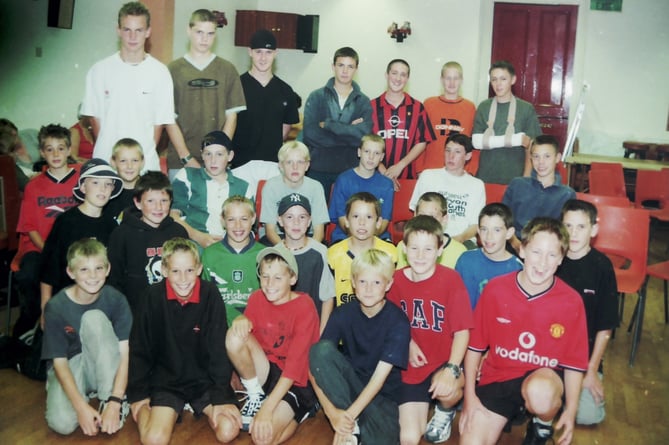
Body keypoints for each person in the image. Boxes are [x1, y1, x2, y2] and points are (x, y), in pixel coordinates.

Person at [459, 218, 589, 445]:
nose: (542, 262)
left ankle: (542, 421)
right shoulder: (496, 290)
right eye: (536, 252)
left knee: (541, 395)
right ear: (522, 250)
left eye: (552, 255)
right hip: (498, 378)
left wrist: (570, 411)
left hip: (543, 379)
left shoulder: (571, 301)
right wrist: (470, 398)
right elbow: (474, 347)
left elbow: (574, 365)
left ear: (561, 258)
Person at [127, 238, 241, 444]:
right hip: (167, 381)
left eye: (189, 270)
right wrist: (138, 394)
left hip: (203, 381)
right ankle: (147, 410)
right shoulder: (151, 297)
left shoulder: (210, 294)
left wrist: (221, 396)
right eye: (175, 271)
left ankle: (195, 406)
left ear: (199, 269)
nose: (183, 279)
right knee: (154, 440)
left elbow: (218, 349)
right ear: (164, 270)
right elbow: (139, 347)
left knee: (228, 431)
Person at [309, 248, 411, 445]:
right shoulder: (342, 313)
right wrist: (333, 414)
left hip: (382, 395)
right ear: (353, 283)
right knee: (319, 350)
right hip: (349, 387)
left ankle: (354, 428)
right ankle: (353, 429)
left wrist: (347, 417)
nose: (369, 289)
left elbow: (378, 380)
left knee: (385, 441)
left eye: (377, 282)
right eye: (363, 281)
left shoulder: (398, 321)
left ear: (388, 284)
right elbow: (315, 364)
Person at [387, 215, 473, 444]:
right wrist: (407, 342)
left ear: (439, 249)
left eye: (428, 249)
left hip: (443, 362)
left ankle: (445, 410)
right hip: (412, 367)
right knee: (409, 437)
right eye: (414, 248)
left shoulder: (451, 280)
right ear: (403, 248)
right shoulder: (395, 281)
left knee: (448, 390)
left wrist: (452, 369)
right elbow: (390, 323)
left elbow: (463, 331)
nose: (420, 255)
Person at [226, 245, 319, 443]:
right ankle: (256, 395)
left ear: (292, 279)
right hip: (267, 371)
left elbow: (294, 369)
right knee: (234, 334)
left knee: (263, 438)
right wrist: (239, 320)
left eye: (278, 277)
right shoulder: (257, 298)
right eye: (265, 276)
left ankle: (300, 412)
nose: (269, 283)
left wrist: (266, 411)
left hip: (295, 381)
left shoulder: (305, 307)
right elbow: (247, 346)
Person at [42, 239, 132, 436]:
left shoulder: (117, 299)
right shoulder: (55, 307)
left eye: (99, 268)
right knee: (62, 424)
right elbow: (59, 362)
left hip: (104, 361)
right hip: (71, 364)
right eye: (84, 270)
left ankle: (109, 398)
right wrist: (81, 408)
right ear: (70, 272)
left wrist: (115, 401)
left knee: (94, 318)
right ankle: (83, 395)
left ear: (108, 269)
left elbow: (124, 354)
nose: (93, 276)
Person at [81, 1, 175, 172]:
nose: (133, 37)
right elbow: (95, 121)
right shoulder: (99, 70)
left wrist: (139, 158)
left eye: (138, 30)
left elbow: (159, 125)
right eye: (127, 30)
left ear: (148, 32)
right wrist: (114, 156)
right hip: (107, 164)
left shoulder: (160, 72)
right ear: (118, 30)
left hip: (145, 166)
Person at [39, 159, 123, 326]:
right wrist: (44, 308)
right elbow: (49, 269)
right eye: (96, 183)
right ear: (83, 187)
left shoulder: (112, 226)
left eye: (108, 184)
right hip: (67, 303)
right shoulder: (66, 222)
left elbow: (114, 273)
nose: (102, 189)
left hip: (100, 305)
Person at [557, 199, 619, 426]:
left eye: (581, 227)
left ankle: (568, 395)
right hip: (549, 353)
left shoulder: (602, 267)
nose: (573, 233)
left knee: (587, 417)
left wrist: (591, 370)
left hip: (582, 359)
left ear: (594, 230)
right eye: (568, 226)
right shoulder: (552, 259)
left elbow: (606, 325)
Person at [14, 124, 79, 336]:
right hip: (39, 247)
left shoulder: (81, 180)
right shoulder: (34, 186)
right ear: (42, 153)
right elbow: (30, 227)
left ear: (69, 150)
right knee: (28, 275)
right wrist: (50, 251)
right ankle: (29, 324)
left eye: (61, 148)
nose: (56, 154)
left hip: (71, 249)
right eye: (49, 149)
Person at [165, 9, 246, 179]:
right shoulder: (172, 70)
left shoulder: (227, 69)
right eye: (199, 32)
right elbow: (169, 119)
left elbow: (231, 117)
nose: (204, 39)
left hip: (216, 163)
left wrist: (219, 154)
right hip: (180, 162)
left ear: (215, 35)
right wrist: (186, 157)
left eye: (210, 33)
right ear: (189, 31)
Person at [107, 171, 187, 311]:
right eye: (151, 201)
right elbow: (114, 279)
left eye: (164, 201)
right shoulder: (122, 234)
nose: (158, 207)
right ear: (137, 203)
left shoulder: (178, 232)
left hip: (173, 309)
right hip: (135, 310)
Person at [303, 46, 373, 194]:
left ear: (356, 69)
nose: (345, 71)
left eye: (350, 66)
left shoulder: (364, 101)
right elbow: (310, 134)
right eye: (341, 65)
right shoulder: (316, 97)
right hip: (318, 169)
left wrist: (329, 125)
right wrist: (349, 133)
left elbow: (364, 137)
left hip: (351, 170)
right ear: (333, 66)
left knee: (347, 216)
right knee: (317, 216)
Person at [171, 130, 251, 248]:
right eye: (208, 154)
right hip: (192, 242)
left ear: (230, 156)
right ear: (202, 155)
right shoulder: (187, 176)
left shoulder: (243, 187)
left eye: (219, 154)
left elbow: (248, 223)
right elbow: (173, 216)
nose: (213, 160)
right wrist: (197, 236)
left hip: (229, 244)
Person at [232, 29, 299, 169]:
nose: (263, 58)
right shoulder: (236, 86)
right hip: (240, 165)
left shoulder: (285, 91)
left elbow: (286, 127)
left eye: (268, 52)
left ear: (275, 53)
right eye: (258, 52)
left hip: (272, 165)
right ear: (250, 52)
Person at [472, 60, 542, 184]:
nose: (498, 84)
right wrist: (517, 140)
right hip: (486, 176)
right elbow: (477, 142)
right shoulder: (483, 107)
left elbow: (532, 147)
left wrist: (526, 177)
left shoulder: (526, 108)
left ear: (513, 80)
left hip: (515, 177)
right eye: (494, 79)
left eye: (503, 79)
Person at [409, 133, 485, 246]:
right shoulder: (428, 176)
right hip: (428, 237)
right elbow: (416, 214)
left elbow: (475, 225)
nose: (451, 156)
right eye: (448, 150)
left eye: (457, 152)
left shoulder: (476, 185)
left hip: (461, 240)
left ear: (468, 156)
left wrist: (458, 239)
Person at [503, 134, 576, 252]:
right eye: (536, 156)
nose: (541, 162)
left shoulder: (567, 194)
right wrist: (515, 244)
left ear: (557, 158)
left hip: (546, 250)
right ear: (531, 158)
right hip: (513, 245)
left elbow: (564, 232)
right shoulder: (517, 184)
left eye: (547, 156)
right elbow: (503, 220)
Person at [201, 195, 265, 326]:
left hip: (255, 321)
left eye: (244, 219)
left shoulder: (263, 254)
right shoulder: (210, 254)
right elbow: (205, 296)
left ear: (253, 219)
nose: (238, 226)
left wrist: (247, 320)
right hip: (219, 319)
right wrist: (234, 317)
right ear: (223, 220)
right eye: (231, 219)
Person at [276, 193, 335, 332]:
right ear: (280, 220)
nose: (296, 222)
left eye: (302, 217)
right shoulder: (274, 254)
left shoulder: (320, 252)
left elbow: (327, 298)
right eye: (289, 217)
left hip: (311, 328)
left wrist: (321, 334)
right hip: (282, 329)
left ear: (309, 221)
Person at [328, 192, 398, 307]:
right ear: (346, 220)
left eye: (369, 217)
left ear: (378, 222)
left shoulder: (390, 254)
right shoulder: (333, 255)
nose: (362, 223)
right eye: (356, 216)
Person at [371, 59, 435, 183]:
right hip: (375, 175)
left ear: (407, 79)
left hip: (407, 177)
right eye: (394, 73)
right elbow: (366, 143)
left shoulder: (417, 107)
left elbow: (422, 142)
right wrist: (384, 171)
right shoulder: (371, 106)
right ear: (386, 75)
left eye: (403, 74)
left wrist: (400, 166)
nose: (398, 78)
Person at [259, 141, 329, 245]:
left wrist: (307, 251)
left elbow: (319, 232)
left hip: (308, 236)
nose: (295, 167)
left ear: (307, 165)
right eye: (289, 162)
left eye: (300, 162)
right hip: (277, 236)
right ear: (281, 166)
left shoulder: (316, 187)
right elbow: (270, 230)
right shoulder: (271, 186)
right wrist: (286, 251)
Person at [455, 203, 523, 309]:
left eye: (497, 230)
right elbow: (455, 304)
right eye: (484, 229)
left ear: (509, 233)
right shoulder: (465, 260)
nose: (489, 236)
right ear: (478, 231)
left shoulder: (518, 269)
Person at [329, 134, 394, 243]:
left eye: (376, 153)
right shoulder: (343, 180)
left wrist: (367, 241)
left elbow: (384, 222)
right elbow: (342, 219)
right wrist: (358, 242)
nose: (371, 157)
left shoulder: (386, 184)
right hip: (345, 236)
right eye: (367, 151)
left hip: (377, 237)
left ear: (382, 157)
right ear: (359, 152)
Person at [421, 61, 476, 174]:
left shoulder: (470, 107)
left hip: (458, 171)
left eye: (456, 78)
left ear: (461, 80)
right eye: (448, 78)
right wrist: (419, 169)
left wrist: (470, 170)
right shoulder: (429, 104)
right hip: (431, 169)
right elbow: (420, 140)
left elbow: (473, 143)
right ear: (441, 80)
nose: (452, 83)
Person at [397, 193, 467, 270]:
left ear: (444, 219)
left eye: (432, 217)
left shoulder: (459, 251)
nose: (426, 221)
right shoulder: (404, 245)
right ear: (415, 215)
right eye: (421, 216)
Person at [103, 138, 145, 223]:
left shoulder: (149, 190)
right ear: (113, 163)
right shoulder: (107, 191)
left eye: (135, 160)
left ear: (142, 162)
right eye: (123, 161)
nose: (129, 166)